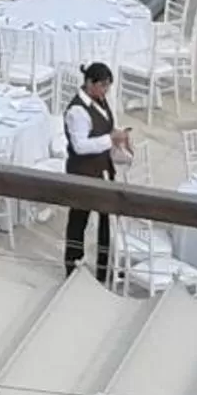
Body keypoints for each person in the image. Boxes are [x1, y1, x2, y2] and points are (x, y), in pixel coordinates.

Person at [61, 60, 128, 282]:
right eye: (103, 86)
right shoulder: (77, 111)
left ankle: (104, 267)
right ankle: (72, 265)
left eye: (108, 86)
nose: (105, 91)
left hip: (101, 169)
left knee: (105, 219)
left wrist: (117, 136)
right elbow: (80, 145)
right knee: (79, 218)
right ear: (90, 83)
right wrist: (110, 139)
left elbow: (105, 128)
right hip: (83, 171)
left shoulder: (100, 102)